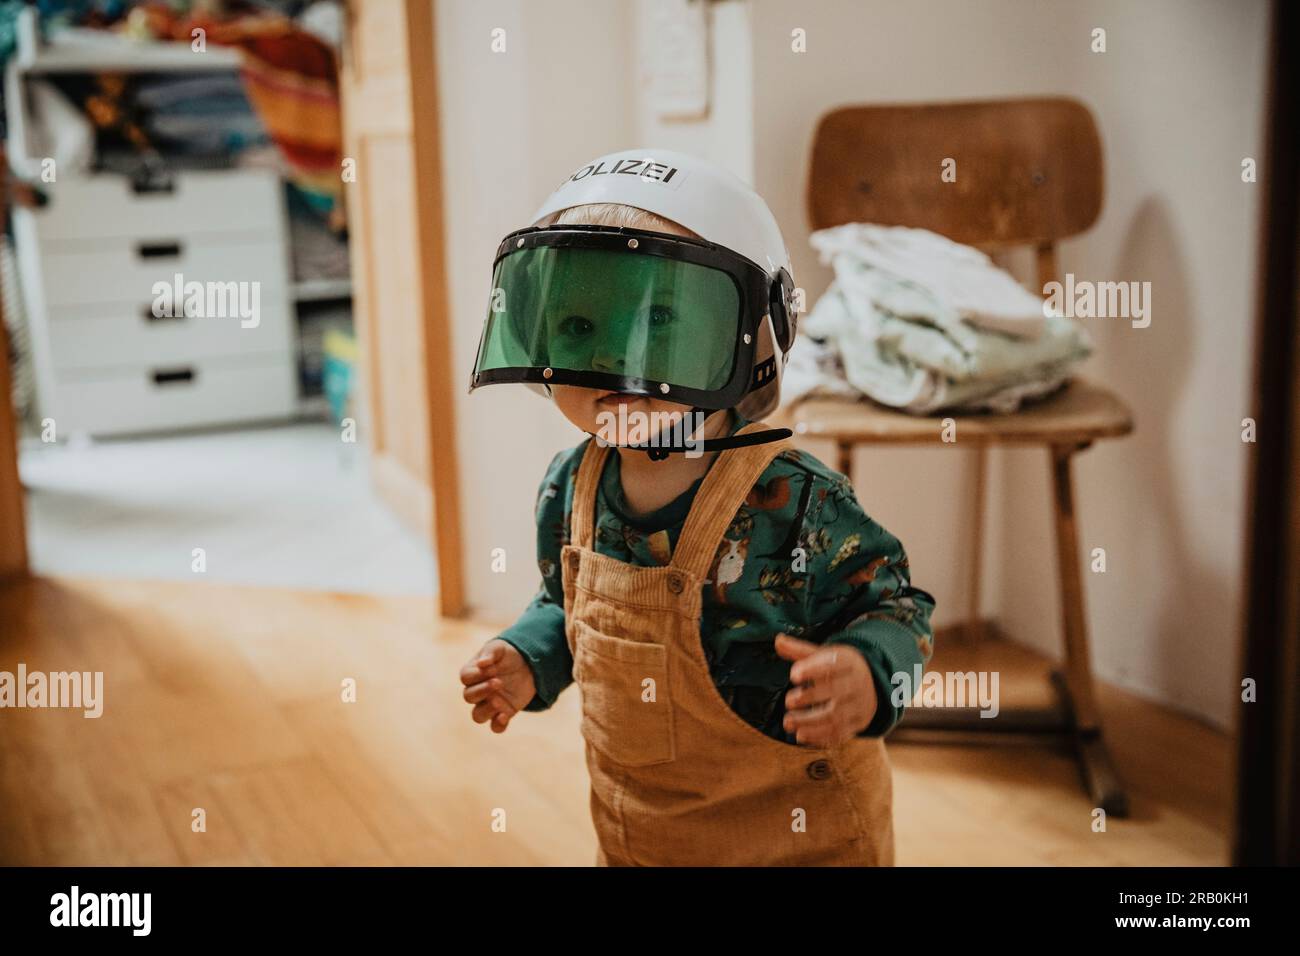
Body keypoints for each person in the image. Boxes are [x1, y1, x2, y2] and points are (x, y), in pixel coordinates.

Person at [459, 148, 935, 866]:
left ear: (752, 332)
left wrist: (870, 671)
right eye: (582, 328)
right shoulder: (570, 486)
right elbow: (568, 603)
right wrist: (530, 657)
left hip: (801, 838)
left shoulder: (797, 501)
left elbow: (898, 608)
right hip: (643, 838)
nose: (621, 360)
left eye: (659, 318)